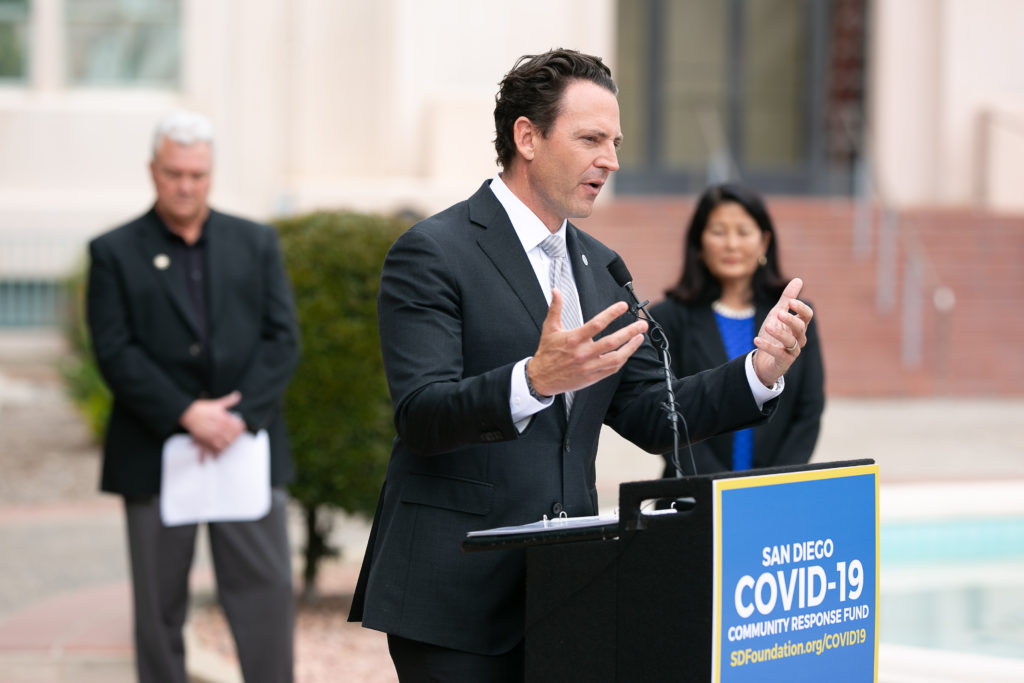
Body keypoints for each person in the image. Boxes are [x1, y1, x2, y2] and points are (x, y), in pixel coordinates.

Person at [348, 49, 813, 682]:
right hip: (451, 591)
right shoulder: (432, 252)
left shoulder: (603, 268)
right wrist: (533, 381)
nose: (612, 161)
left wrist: (759, 369)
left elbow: (655, 413)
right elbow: (422, 414)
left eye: (615, 142)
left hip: (565, 588)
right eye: (591, 138)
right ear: (527, 137)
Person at [86, 110, 300, 683]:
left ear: (210, 174)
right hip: (154, 450)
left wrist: (237, 416)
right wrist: (185, 412)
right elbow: (114, 351)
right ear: (153, 171)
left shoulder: (254, 242)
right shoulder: (112, 251)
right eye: (174, 173)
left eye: (197, 175)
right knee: (157, 610)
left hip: (245, 443)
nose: (186, 185)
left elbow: (283, 340)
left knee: (266, 597)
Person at [650, 183, 825, 477]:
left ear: (764, 242)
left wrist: (774, 484)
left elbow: (808, 412)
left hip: (774, 496)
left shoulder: (792, 317)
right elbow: (665, 416)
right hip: (692, 497)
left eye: (743, 232)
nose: (731, 244)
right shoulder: (667, 319)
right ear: (700, 242)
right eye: (718, 232)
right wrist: (716, 488)